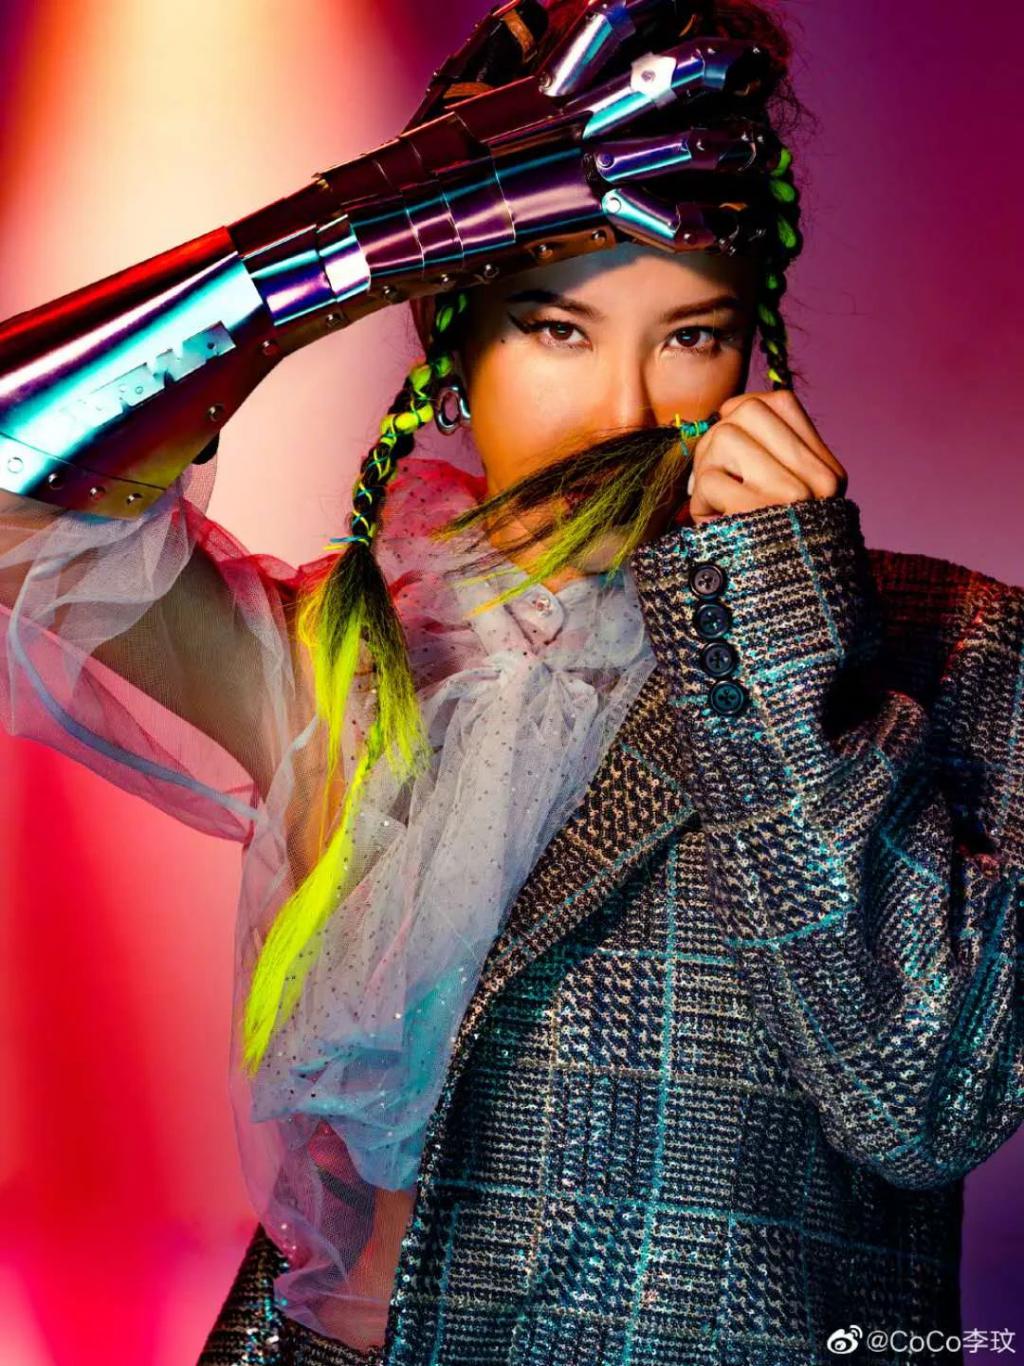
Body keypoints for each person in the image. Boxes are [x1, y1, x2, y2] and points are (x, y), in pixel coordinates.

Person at [0, 2, 1021, 1363]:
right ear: (455, 343)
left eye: (692, 335)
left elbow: (926, 1098)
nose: (625, 414)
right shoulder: (348, 658)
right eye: (557, 331)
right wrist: (353, 237)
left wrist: (780, 639)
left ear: (752, 347)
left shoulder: (957, 646)